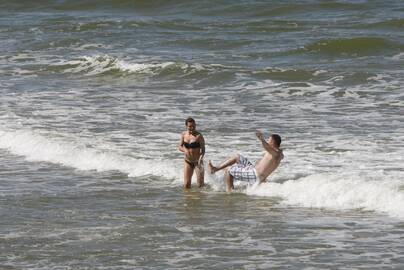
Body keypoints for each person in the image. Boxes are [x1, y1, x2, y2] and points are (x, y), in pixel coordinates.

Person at [208, 130, 283, 192]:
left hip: (255, 174)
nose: (268, 142)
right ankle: (216, 169)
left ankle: (230, 193)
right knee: (237, 157)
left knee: (229, 170)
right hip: (253, 170)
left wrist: (262, 139)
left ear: (273, 142)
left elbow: (267, 147)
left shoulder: (276, 154)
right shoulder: (278, 153)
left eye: (269, 140)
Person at [179, 117, 205, 189]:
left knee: (200, 185)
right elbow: (180, 147)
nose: (192, 128)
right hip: (188, 161)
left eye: (193, 126)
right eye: (190, 126)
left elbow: (203, 150)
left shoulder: (199, 136)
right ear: (186, 126)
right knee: (186, 185)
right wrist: (185, 150)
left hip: (198, 162)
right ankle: (189, 199)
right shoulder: (184, 134)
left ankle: (200, 199)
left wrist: (201, 158)